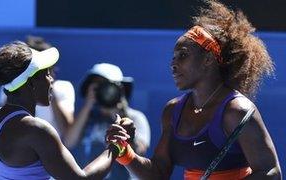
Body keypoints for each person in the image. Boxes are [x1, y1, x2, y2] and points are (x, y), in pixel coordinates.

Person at [106, 1, 282, 179]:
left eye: (183, 55)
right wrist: (124, 151)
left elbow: (271, 173)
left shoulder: (237, 111)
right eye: (173, 57)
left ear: (208, 60)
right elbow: (158, 173)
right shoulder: (172, 111)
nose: (173, 64)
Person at [0, 41, 132, 179]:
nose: (51, 80)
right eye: (46, 74)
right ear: (31, 84)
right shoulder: (37, 130)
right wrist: (116, 146)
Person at [65, 63, 151, 180]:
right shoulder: (85, 118)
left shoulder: (135, 118)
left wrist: (118, 113)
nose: (105, 92)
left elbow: (139, 152)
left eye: (108, 87)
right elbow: (69, 142)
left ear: (120, 90)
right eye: (98, 87)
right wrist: (88, 104)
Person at [0, 36, 75, 140]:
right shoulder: (40, 131)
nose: (52, 78)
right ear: (31, 82)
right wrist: (105, 154)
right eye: (46, 73)